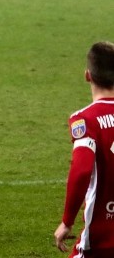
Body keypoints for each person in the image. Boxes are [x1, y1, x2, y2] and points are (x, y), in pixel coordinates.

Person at [55, 41, 114, 256]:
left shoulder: (85, 120)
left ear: (88, 75)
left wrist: (67, 222)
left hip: (101, 240)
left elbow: (81, 170)